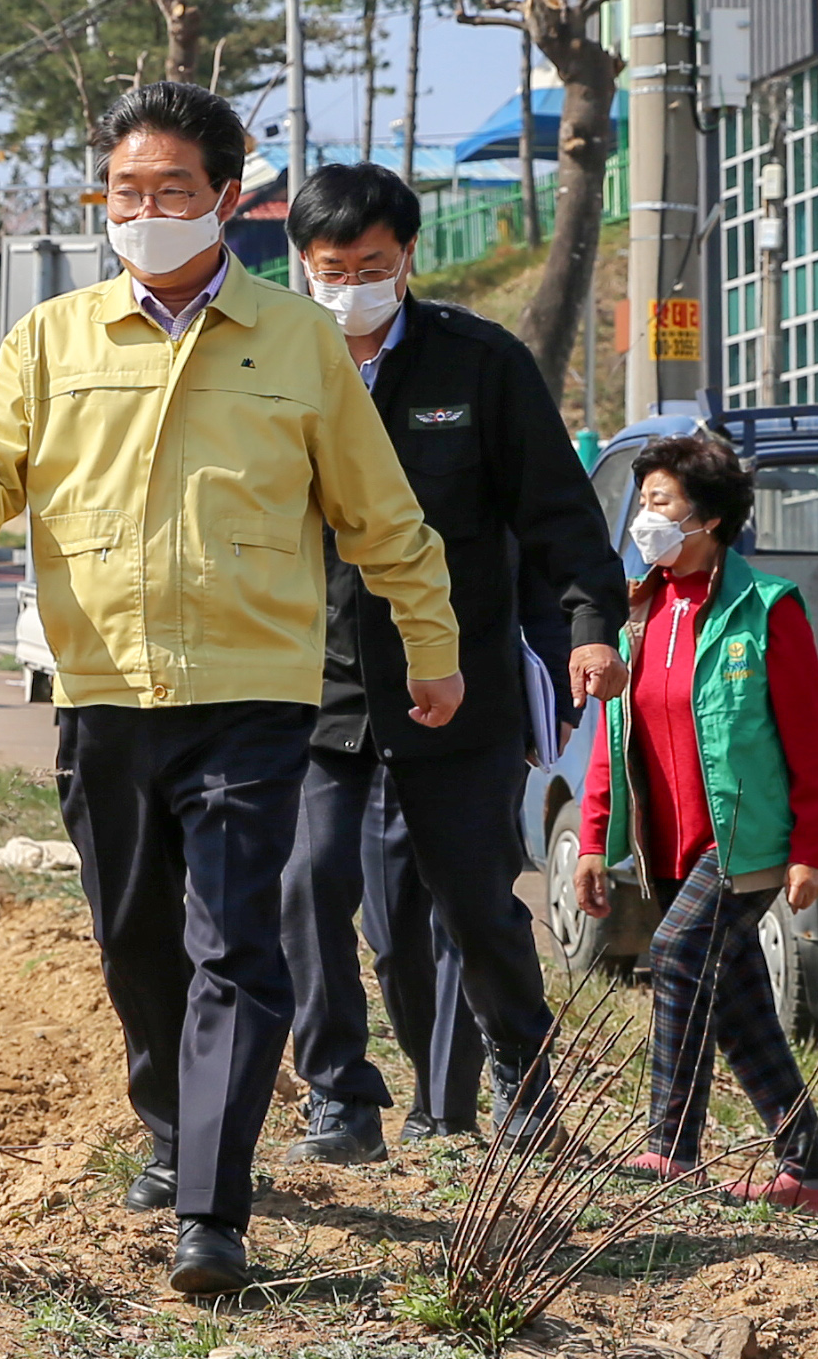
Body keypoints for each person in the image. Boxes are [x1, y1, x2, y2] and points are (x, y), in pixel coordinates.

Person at [0, 83, 461, 1298]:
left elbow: (384, 517)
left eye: (170, 190)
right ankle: (171, 1120)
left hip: (253, 694)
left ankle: (213, 1206)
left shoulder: (299, 341)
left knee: (234, 942)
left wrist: (432, 642)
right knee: (134, 940)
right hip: (101, 684)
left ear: (227, 193)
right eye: (124, 190)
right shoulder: (54, 339)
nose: (144, 211)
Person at [275, 165, 630, 1164]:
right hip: (314, 682)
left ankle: (519, 1064)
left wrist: (587, 625)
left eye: (372, 266)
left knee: (475, 897)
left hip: (453, 681)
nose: (350, 286)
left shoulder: (479, 365)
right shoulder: (269, 364)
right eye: (331, 268)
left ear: (408, 260)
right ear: (303, 266)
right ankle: (338, 1091)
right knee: (306, 883)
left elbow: (556, 511)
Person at [575, 430, 818, 1214]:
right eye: (643, 501)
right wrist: (594, 840)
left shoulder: (767, 612)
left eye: (662, 504)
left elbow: (805, 740)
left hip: (742, 843)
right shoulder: (636, 610)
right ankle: (813, 1175)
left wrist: (808, 850)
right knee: (740, 1007)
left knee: (677, 951)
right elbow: (612, 734)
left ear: (712, 521)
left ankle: (670, 1147)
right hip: (664, 844)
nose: (644, 519)